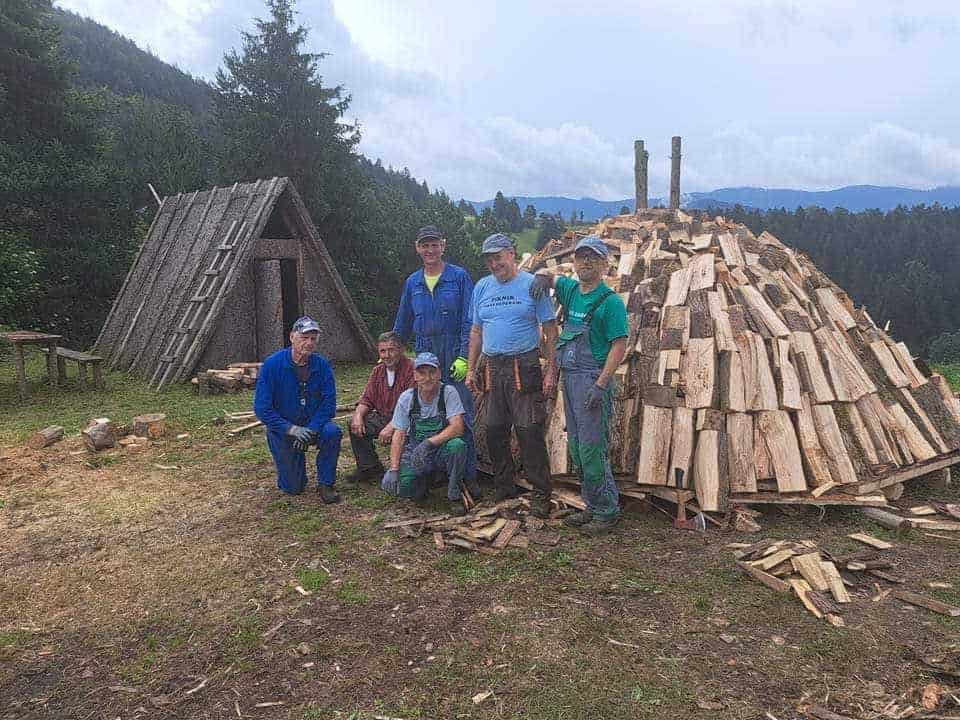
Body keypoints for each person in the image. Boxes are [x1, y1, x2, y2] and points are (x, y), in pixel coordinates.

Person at [530, 236, 628, 534]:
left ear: (604, 264)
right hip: (570, 379)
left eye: (593, 257)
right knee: (575, 447)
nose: (586, 262)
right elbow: (549, 277)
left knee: (591, 449)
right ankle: (592, 505)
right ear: (574, 261)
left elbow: (619, 345)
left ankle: (607, 512)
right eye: (581, 256)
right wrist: (540, 278)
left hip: (590, 380)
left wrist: (601, 384)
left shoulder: (610, 303)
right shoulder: (571, 290)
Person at [466, 233, 558, 518]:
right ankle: (504, 486)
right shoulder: (482, 287)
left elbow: (551, 329)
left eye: (499, 257)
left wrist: (551, 368)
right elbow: (476, 331)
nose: (495, 264)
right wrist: (471, 369)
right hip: (492, 367)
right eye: (490, 259)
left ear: (511, 254)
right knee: (494, 430)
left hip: (524, 365)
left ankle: (541, 493)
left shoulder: (532, 285)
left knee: (528, 430)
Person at [393, 225, 477, 482]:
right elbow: (402, 322)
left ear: (443, 245)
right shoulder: (413, 282)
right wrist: (393, 352)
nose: (430, 250)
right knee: (427, 412)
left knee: (461, 414)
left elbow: (469, 320)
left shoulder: (459, 277)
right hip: (425, 353)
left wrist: (464, 356)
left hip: (452, 353)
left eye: (434, 244)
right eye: (424, 245)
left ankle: (467, 477)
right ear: (417, 248)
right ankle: (431, 470)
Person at [253, 316, 341, 502]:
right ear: (292, 337)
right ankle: (294, 469)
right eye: (304, 337)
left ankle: (326, 484)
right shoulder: (272, 365)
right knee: (293, 488)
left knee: (332, 432)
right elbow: (262, 409)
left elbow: (328, 404)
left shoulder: (322, 366)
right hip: (283, 430)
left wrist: (311, 429)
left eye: (313, 339)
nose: (309, 343)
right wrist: (292, 430)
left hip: (312, 427)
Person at [380, 352, 480, 515]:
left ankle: (453, 493)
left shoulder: (448, 392)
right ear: (415, 375)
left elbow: (457, 427)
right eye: (422, 373)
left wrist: (429, 443)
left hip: (440, 450)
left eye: (432, 372)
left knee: (458, 445)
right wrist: (394, 468)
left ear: (439, 373)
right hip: (415, 453)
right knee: (399, 487)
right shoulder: (407, 398)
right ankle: (423, 483)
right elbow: (399, 435)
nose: (427, 378)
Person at [345, 331, 415, 483]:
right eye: (383, 351)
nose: (387, 355)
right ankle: (369, 468)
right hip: (383, 417)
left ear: (401, 350)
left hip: (408, 422)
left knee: (408, 474)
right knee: (354, 424)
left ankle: (405, 468)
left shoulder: (412, 369)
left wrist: (392, 426)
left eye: (391, 350)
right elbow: (367, 399)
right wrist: (357, 417)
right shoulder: (377, 371)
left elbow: (411, 405)